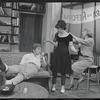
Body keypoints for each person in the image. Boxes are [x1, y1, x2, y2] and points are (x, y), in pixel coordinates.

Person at [45, 20, 78, 93]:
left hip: (65, 54)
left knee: (63, 71)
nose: (58, 30)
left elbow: (71, 45)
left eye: (59, 28)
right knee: (55, 70)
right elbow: (56, 45)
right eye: (57, 28)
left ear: (63, 28)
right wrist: (50, 41)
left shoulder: (69, 36)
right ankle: (53, 86)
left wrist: (75, 50)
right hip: (57, 53)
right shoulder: (57, 34)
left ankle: (62, 87)